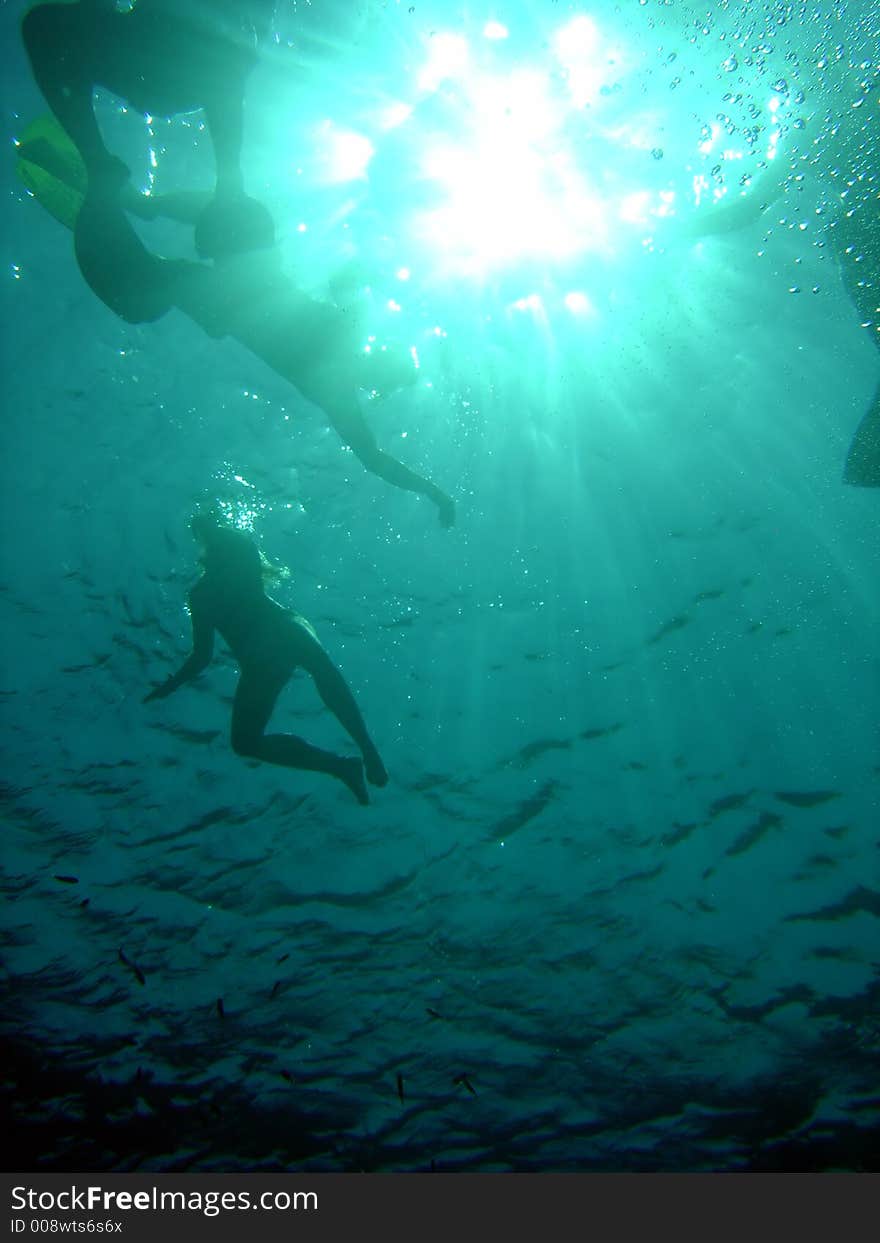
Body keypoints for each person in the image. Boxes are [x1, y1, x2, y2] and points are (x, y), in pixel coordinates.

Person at [16, 114, 455, 524]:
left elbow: (373, 457)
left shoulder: (341, 379)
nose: (377, 370)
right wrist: (385, 277)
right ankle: (130, 198)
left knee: (141, 298)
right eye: (386, 368)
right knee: (199, 252)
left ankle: (117, 194)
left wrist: (433, 492)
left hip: (221, 287)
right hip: (239, 271)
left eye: (385, 372)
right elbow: (350, 275)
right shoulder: (346, 355)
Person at [144, 515, 389, 805]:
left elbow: (202, 655)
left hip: (282, 628)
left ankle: (367, 750)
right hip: (259, 661)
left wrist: (213, 531)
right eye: (204, 533)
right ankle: (340, 765)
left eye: (213, 529)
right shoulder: (200, 595)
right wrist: (171, 685)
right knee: (245, 742)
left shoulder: (238, 554)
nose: (212, 535)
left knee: (322, 670)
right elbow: (201, 656)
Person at [21, 0, 274, 251]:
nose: (144, 109)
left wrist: (229, 179)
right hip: (179, 50)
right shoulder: (211, 61)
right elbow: (227, 80)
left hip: (179, 50)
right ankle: (112, 176)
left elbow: (226, 78)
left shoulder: (210, 59)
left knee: (45, 27)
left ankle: (111, 174)